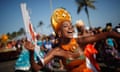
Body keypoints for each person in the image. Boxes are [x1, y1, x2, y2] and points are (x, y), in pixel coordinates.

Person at [24, 8, 120, 72]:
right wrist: (31, 53)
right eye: (66, 26)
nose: (70, 28)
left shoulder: (80, 42)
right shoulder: (56, 51)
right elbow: (36, 68)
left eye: (71, 26)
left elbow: (108, 34)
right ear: (59, 33)